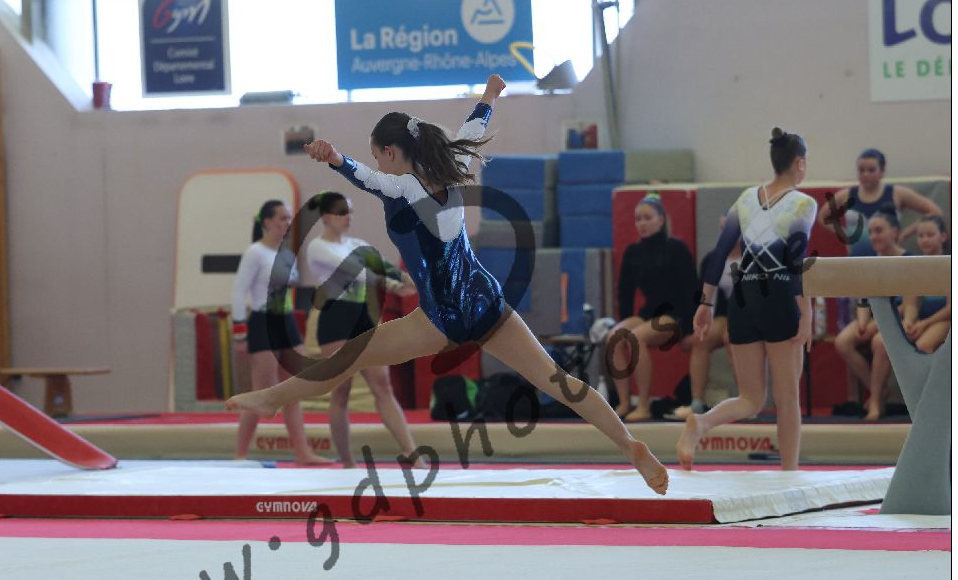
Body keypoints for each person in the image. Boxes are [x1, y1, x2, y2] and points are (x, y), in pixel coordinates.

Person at [228, 74, 668, 494]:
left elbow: (363, 176)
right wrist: (490, 95)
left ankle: (273, 399)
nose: (379, 163)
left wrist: (334, 158)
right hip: (487, 301)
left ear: (391, 151)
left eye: (379, 155)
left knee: (347, 357)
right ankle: (629, 445)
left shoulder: (402, 187)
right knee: (556, 379)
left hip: (441, 317)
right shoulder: (452, 166)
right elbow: (473, 129)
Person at [677, 128, 816, 471]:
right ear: (799, 164)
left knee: (751, 399)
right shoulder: (803, 203)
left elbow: (719, 253)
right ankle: (789, 472)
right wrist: (806, 313)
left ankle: (702, 423)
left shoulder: (745, 198)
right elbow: (795, 261)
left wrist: (705, 304)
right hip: (779, 299)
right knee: (787, 398)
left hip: (743, 301)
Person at [302, 190, 421, 467]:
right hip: (336, 319)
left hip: (363, 317)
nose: (348, 217)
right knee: (341, 392)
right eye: (342, 212)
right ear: (326, 217)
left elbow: (382, 268)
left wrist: (410, 282)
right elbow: (356, 270)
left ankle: (412, 454)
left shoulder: (357, 243)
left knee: (383, 386)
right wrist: (394, 283)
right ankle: (348, 461)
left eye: (350, 212)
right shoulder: (318, 247)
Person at [229, 199, 332, 464]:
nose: (287, 223)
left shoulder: (287, 254)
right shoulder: (255, 253)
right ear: (267, 222)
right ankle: (240, 455)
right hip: (263, 322)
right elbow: (239, 293)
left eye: (289, 218)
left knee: (292, 391)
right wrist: (239, 332)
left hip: (286, 321)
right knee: (261, 392)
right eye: (282, 218)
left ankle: (303, 452)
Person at [605, 193, 700, 421]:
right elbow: (625, 293)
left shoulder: (676, 248)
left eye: (647, 218)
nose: (642, 223)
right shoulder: (633, 253)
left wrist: (690, 329)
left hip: (675, 315)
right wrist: (623, 322)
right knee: (614, 337)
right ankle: (624, 402)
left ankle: (643, 405)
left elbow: (691, 290)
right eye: (638, 219)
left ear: (661, 220)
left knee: (637, 337)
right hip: (649, 314)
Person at [832, 209, 906, 420]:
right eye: (871, 232)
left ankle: (875, 401)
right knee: (843, 341)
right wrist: (863, 322)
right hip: (876, 317)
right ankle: (879, 392)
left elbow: (908, 304)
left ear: (894, 232)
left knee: (878, 342)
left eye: (879, 231)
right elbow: (863, 299)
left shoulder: (907, 260)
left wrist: (876, 325)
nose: (873, 236)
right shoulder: (871, 262)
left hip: (900, 318)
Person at [669, 216, 740, 420]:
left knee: (732, 338)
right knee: (701, 339)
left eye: (732, 229)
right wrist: (695, 328)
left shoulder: (754, 257)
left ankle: (747, 399)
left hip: (750, 313)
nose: (726, 234)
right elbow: (706, 298)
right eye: (723, 229)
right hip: (724, 314)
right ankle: (697, 402)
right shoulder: (712, 259)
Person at [819, 147, 944, 255]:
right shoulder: (846, 195)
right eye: (861, 170)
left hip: (890, 258)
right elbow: (823, 216)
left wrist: (905, 234)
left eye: (871, 170)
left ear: (882, 171)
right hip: (857, 257)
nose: (865, 174)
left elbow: (935, 212)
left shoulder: (897, 193)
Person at [901, 215, 951, 355]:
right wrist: (908, 321)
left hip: (946, 319)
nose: (925, 240)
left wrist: (925, 323)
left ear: (943, 237)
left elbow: (950, 308)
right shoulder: (916, 267)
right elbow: (911, 304)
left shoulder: (950, 266)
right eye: (921, 236)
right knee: (886, 343)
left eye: (930, 235)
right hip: (923, 319)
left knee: (923, 345)